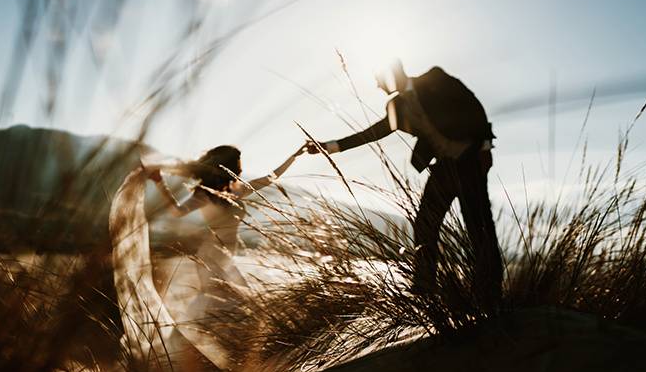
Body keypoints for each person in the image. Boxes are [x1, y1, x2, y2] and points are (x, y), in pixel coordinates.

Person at [306, 60, 502, 310]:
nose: (377, 85)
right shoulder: (396, 105)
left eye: (379, 79)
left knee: (479, 226)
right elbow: (373, 132)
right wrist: (330, 146)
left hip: (470, 160)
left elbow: (472, 104)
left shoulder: (435, 78)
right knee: (425, 223)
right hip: (444, 167)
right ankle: (425, 286)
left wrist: (485, 145)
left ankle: (490, 293)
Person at [144, 144, 306, 309]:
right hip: (210, 257)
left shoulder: (238, 190)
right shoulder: (204, 194)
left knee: (239, 304)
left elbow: (271, 177)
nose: (240, 169)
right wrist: (159, 182)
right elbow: (177, 212)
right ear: (228, 167)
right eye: (237, 164)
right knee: (226, 305)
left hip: (226, 257)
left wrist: (294, 156)